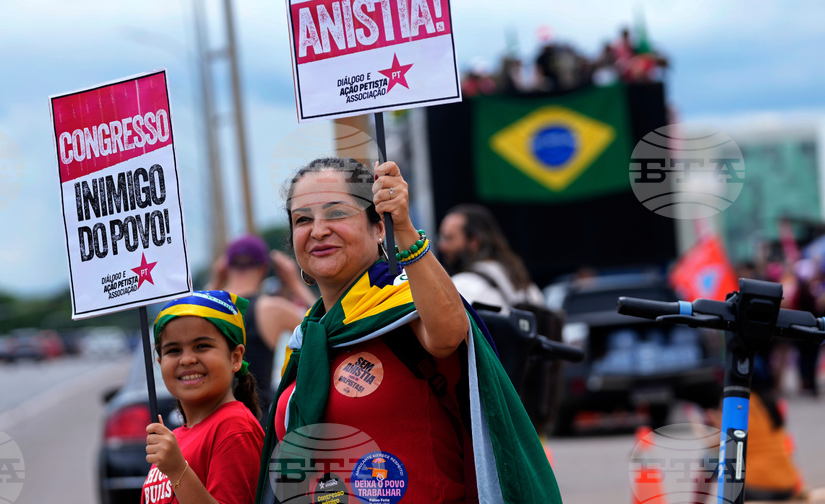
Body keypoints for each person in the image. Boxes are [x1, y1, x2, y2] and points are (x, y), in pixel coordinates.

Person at [254, 157, 561, 504]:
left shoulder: (406, 306)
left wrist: (404, 228)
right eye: (303, 219)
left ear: (378, 227)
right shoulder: (307, 338)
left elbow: (449, 334)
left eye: (337, 213)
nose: (318, 230)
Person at [141, 291, 265, 504]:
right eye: (174, 350)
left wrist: (177, 470)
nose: (187, 359)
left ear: (235, 357)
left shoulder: (234, 427)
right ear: (160, 363)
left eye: (201, 346)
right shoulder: (174, 438)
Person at [207, 235, 316, 416]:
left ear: (226, 268)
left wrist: (216, 280)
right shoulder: (272, 309)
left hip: (215, 418)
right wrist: (296, 283)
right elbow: (325, 328)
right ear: (264, 268)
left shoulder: (208, 310)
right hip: (257, 418)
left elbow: (195, 310)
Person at [437, 204, 544, 312]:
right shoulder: (522, 281)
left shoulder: (461, 285)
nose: (441, 246)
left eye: (449, 238)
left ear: (474, 242)